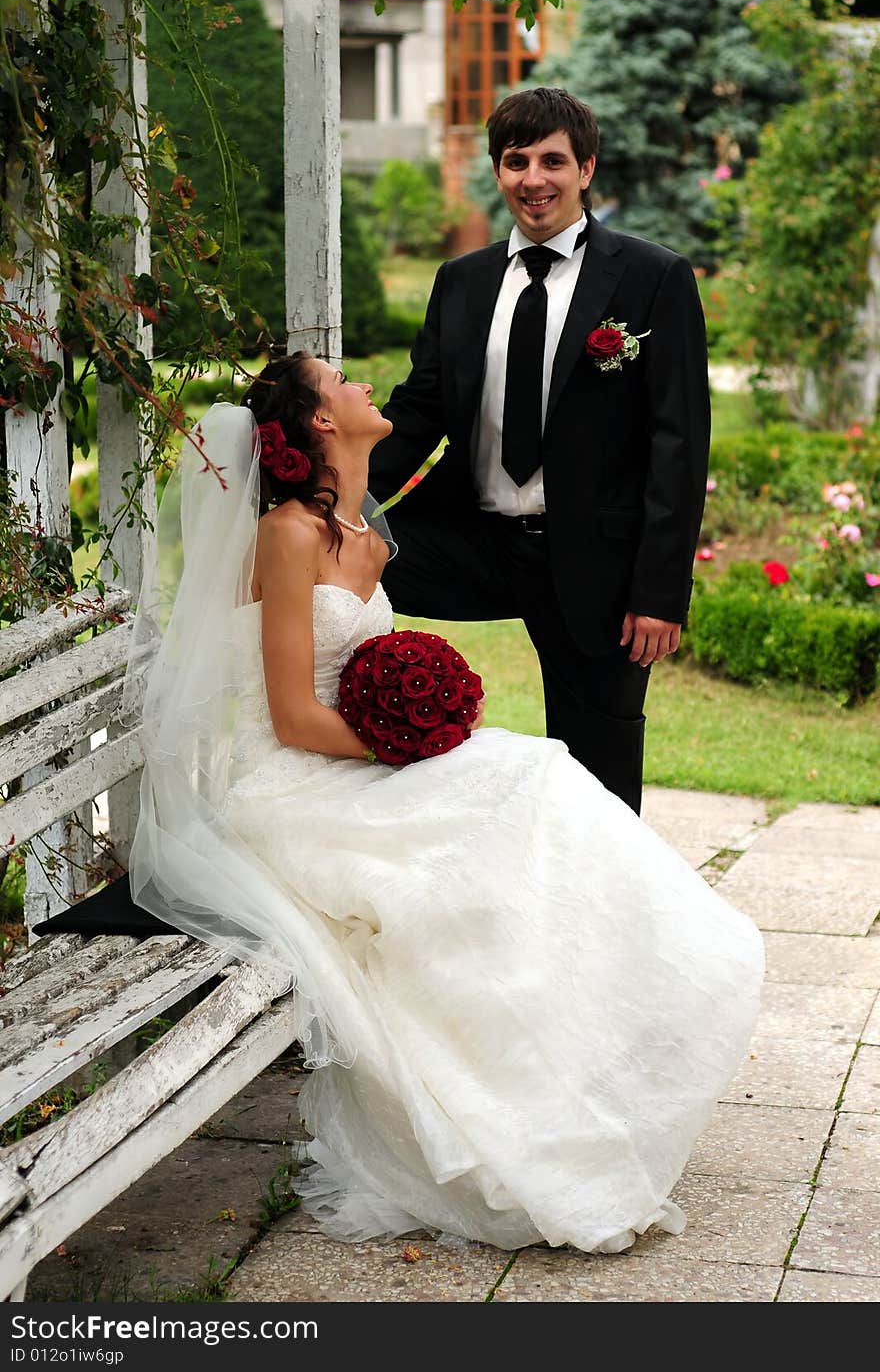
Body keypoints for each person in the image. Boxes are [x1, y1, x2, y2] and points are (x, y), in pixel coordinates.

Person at [127, 352, 763, 1256]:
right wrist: (415, 742)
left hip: (361, 767)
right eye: (340, 381)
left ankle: (593, 1071)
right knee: (478, 839)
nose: (361, 387)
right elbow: (297, 717)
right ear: (317, 423)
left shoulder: (362, 531)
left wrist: (419, 735)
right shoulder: (287, 535)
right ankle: (510, 1112)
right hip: (299, 786)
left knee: (536, 784)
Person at [370, 87, 711, 815]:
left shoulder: (653, 280)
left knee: (599, 782)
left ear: (586, 169)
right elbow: (417, 412)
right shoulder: (460, 283)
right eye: (516, 161)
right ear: (497, 171)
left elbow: (678, 443)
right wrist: (321, 505)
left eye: (553, 160)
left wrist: (659, 593)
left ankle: (605, 915)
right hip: (472, 539)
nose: (534, 179)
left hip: (595, 559)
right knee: (327, 571)